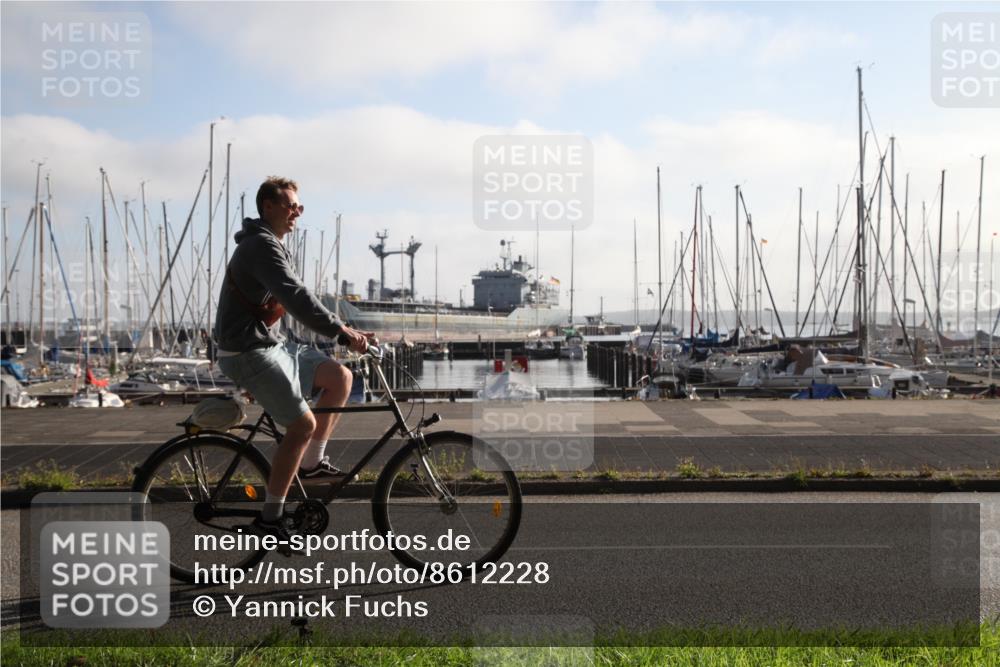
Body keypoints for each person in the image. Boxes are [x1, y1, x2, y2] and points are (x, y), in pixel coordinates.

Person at [214, 176, 375, 539]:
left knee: (340, 379)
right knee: (302, 425)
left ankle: (312, 465)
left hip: (270, 345)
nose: (297, 213)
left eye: (299, 207)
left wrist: (350, 332)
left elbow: (298, 297)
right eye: (290, 205)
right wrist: (342, 332)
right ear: (267, 206)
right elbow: (296, 297)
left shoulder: (272, 244)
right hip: (246, 350)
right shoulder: (260, 246)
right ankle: (270, 520)